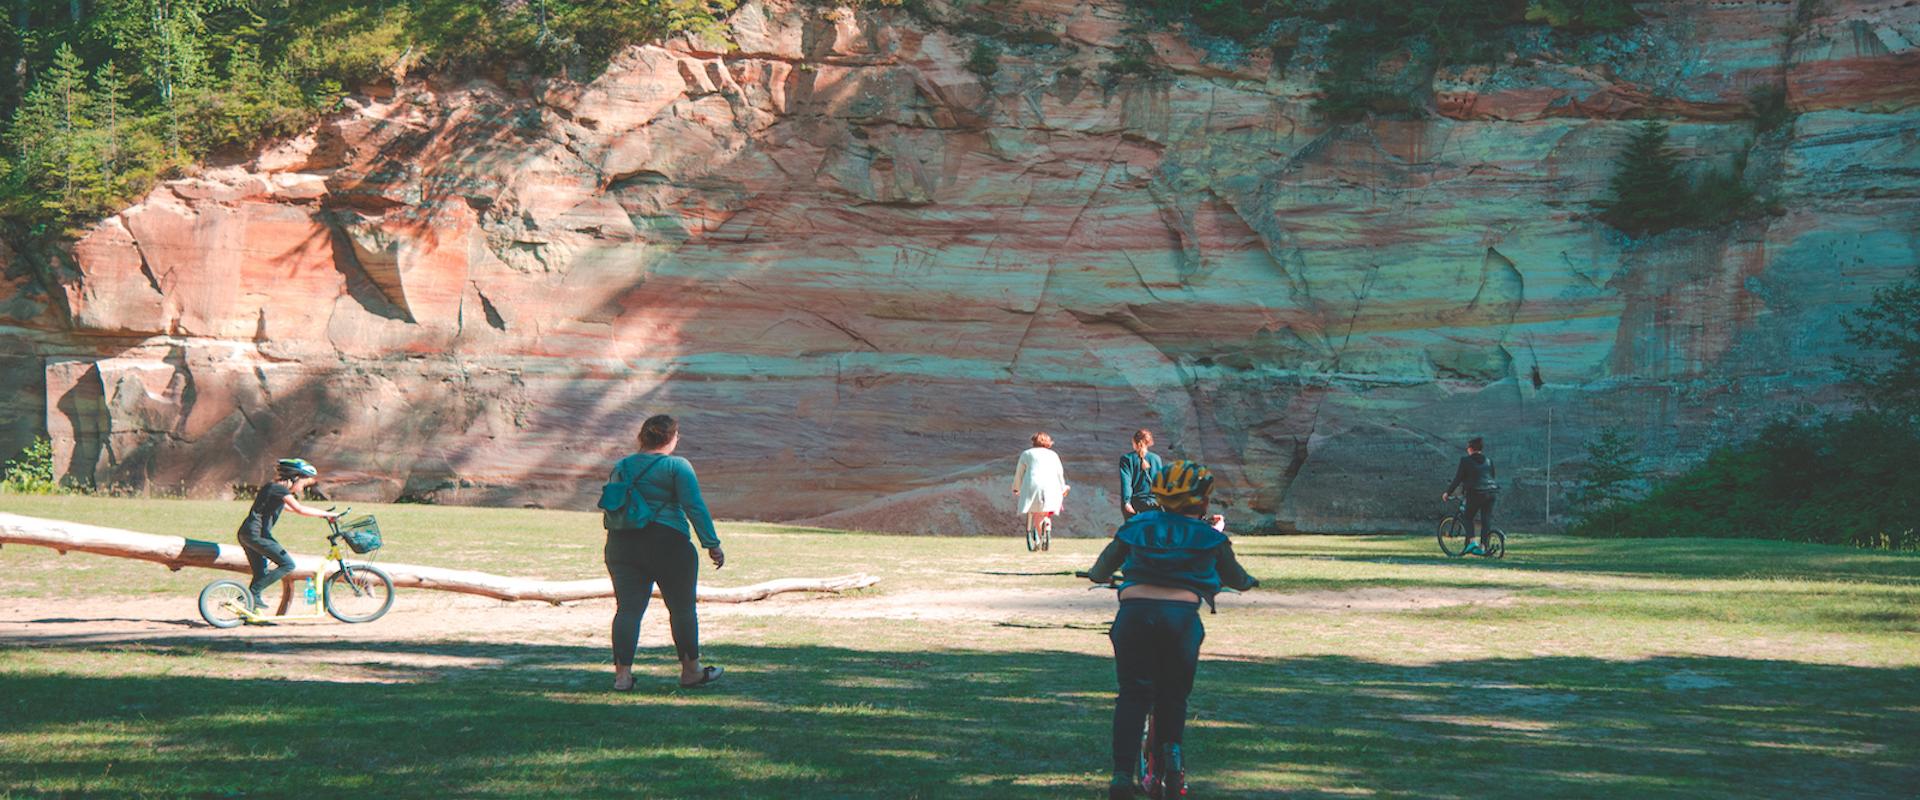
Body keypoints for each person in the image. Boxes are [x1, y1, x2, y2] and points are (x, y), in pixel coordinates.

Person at [1084, 460, 1258, 800]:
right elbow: (1237, 579)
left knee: (1133, 694)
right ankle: (1173, 761)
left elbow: (1100, 570)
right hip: (1180, 619)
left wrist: (1099, 575)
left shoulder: (1136, 527)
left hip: (1134, 615)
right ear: (1203, 502)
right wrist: (1249, 581)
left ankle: (1121, 776)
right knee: (1173, 695)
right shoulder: (1210, 537)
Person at [598, 414, 727, 691]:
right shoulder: (676, 466)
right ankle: (691, 671)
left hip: (622, 543)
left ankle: (622, 677)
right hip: (669, 544)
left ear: (642, 437)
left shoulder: (621, 466)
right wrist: (711, 544)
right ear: (671, 438)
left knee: (628, 610)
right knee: (681, 610)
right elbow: (694, 506)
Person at [235, 458, 340, 611]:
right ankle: (250, 594)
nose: (303, 488)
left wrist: (322, 513)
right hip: (256, 534)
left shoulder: (274, 489)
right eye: (303, 483)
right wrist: (325, 514)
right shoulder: (279, 489)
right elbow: (300, 509)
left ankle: (250, 610)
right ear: (295, 477)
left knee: (261, 572)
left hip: (248, 533)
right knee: (287, 564)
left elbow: (290, 508)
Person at [1441, 436, 1500, 555]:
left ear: (1471, 449)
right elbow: (1491, 477)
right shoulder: (1489, 461)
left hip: (1476, 493)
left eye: (1467, 447)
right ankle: (1483, 547)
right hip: (1491, 493)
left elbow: (1458, 479)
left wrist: (1448, 492)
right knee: (1486, 519)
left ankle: (1472, 541)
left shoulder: (1465, 461)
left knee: (1467, 517)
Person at [1012, 432, 1070, 547]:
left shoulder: (1026, 454)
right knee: (1045, 512)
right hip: (1051, 485)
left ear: (1033, 441)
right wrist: (1063, 487)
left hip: (1032, 485)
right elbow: (1059, 473)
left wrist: (1016, 488)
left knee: (1035, 512)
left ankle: (1037, 538)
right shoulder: (1053, 455)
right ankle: (1046, 529)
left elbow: (1019, 473)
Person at [1117, 429, 1163, 522]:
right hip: (1154, 504)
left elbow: (1126, 483)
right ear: (1149, 442)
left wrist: (1126, 502)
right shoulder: (1156, 459)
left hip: (1135, 504)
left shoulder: (1126, 459)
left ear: (1134, 442)